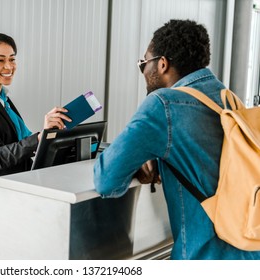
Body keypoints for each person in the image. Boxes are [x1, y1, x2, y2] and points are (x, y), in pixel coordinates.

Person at [93, 19, 260, 259]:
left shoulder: (162, 104)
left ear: (162, 64)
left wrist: (139, 163)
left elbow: (106, 179)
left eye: (143, 63)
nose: (143, 71)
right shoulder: (228, 98)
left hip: (205, 257)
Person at [0, 33, 71, 179]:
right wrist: (39, 138)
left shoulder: (2, 100)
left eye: (12, 59)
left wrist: (47, 132)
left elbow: (17, 144)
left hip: (14, 183)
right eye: (0, 60)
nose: (9, 66)